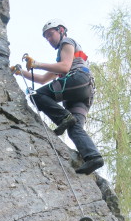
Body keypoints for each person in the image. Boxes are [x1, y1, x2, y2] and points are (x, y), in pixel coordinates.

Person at [11, 19, 104, 175]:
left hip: (78, 80)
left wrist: (36, 63)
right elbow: (42, 79)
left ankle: (64, 118)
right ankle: (93, 157)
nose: (49, 39)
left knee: (37, 95)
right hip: (83, 93)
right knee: (74, 129)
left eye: (50, 34)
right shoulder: (60, 59)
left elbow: (65, 67)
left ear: (61, 30)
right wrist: (21, 72)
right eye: (46, 37)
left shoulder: (67, 42)